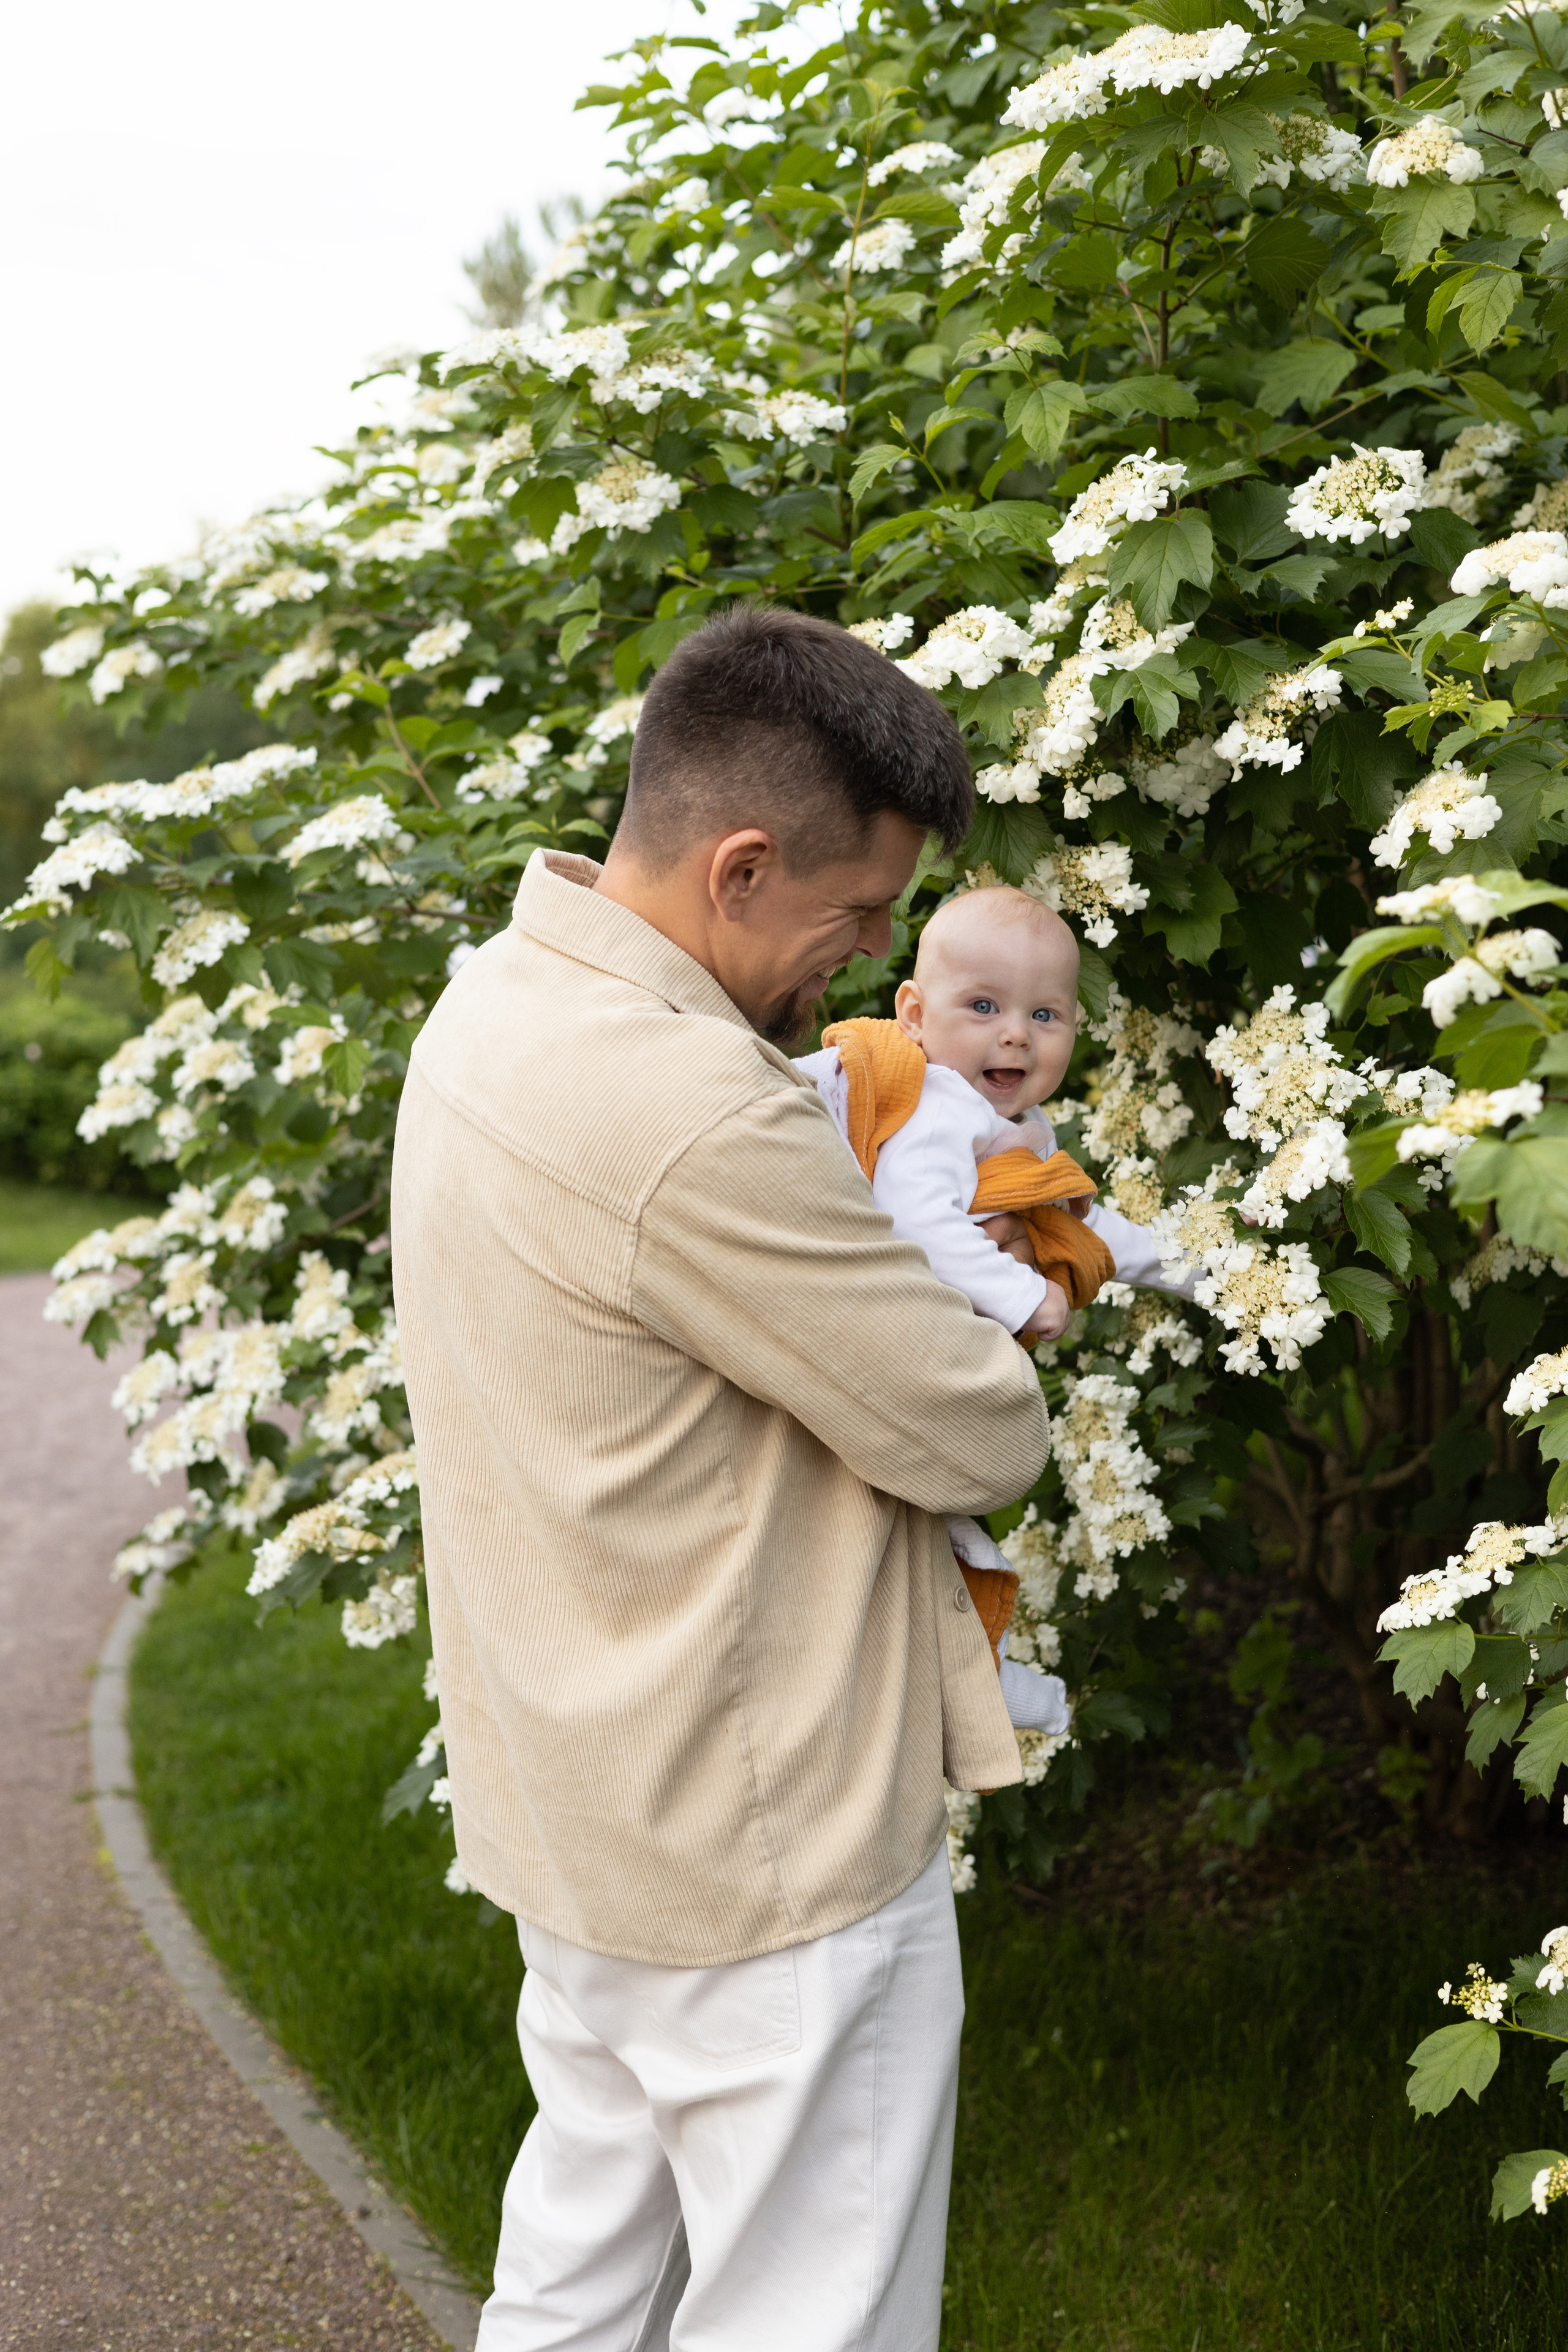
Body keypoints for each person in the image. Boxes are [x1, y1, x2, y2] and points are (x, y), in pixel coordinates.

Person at [391, 604, 1050, 2352]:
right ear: (743, 865)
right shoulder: (695, 1110)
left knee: (577, 2297)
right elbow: (979, 1426)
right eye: (855, 918)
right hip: (771, 1861)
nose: (863, 963)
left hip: (590, 1810)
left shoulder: (485, 1010)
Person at [795, 882, 1197, 1739]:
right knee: (928, 1522)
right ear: (913, 1012)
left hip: (896, 1339)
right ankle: (978, 1673)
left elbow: (1076, 1227)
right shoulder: (938, 1105)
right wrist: (1030, 1302)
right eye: (982, 1006)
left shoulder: (1014, 1124)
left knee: (933, 1529)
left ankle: (975, 1669)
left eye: (1045, 1015)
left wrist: (1196, 1269)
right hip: (862, 1331)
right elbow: (917, 1219)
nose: (1015, 1033)